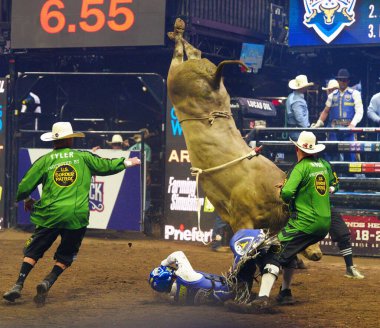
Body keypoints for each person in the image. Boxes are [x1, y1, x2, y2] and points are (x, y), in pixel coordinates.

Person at [3, 122, 140, 306]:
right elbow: (106, 166)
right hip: (77, 215)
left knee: (34, 250)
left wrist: (26, 198)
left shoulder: (45, 160)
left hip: (51, 215)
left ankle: (18, 284)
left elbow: (24, 186)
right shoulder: (83, 157)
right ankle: (48, 281)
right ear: (71, 139)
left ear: (54, 141)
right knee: (66, 255)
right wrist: (128, 162)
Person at [231, 131, 337, 312]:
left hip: (305, 222)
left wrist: (287, 191)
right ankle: (285, 292)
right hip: (323, 224)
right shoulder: (324, 165)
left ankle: (262, 298)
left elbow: (287, 193)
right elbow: (334, 182)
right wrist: (323, 190)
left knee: (275, 251)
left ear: (298, 149)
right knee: (290, 252)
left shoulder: (300, 168)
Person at [149, 229, 279, 306]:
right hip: (234, 285)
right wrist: (163, 263)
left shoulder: (175, 298)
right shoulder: (184, 275)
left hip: (231, 295)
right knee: (239, 241)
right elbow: (178, 254)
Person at [312, 69, 363, 161]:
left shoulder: (355, 94)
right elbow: (326, 111)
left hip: (348, 129)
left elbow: (359, 111)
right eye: (340, 80)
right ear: (338, 81)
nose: (342, 82)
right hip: (334, 129)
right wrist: (319, 122)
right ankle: (333, 174)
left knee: (350, 155)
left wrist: (353, 124)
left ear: (348, 81)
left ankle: (349, 175)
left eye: (344, 80)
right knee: (332, 154)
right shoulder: (332, 95)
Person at [128, 128, 152, 235]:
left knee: (134, 198)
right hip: (141, 175)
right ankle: (146, 229)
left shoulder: (131, 148)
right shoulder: (147, 148)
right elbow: (147, 163)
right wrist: (148, 175)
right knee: (145, 200)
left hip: (133, 177)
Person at [285, 74, 314, 139]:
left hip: (295, 130)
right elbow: (299, 118)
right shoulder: (298, 100)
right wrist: (307, 130)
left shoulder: (291, 96)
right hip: (299, 132)